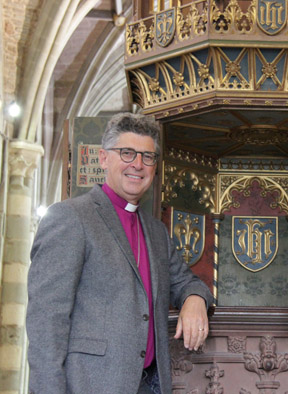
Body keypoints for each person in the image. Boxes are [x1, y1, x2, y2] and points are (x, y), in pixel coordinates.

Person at [26, 113, 214, 394]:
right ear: (104, 158)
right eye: (127, 153)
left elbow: (185, 282)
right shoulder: (70, 217)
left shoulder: (155, 232)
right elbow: (46, 322)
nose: (137, 165)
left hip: (149, 385)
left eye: (147, 157)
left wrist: (196, 299)